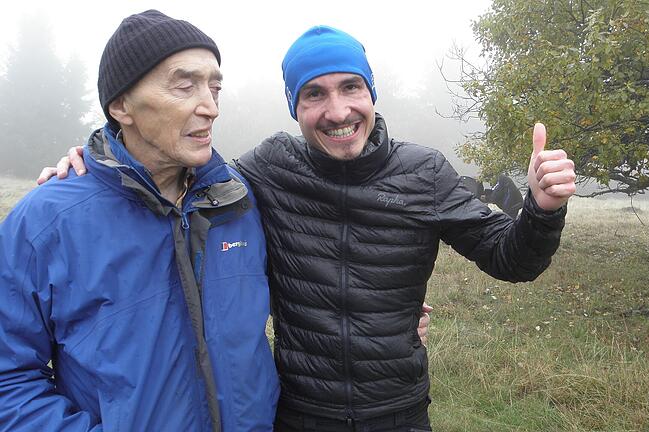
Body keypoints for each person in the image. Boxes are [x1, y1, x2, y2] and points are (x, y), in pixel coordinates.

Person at [41, 25, 576, 431]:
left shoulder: (425, 172)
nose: (337, 110)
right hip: (299, 413)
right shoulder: (267, 169)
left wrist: (542, 208)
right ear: (294, 106)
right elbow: (174, 167)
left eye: (351, 88)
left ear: (371, 94)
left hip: (399, 411)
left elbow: (513, 260)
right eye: (314, 94)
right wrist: (94, 160)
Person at [0, 10, 279, 431]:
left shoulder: (239, 200)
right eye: (185, 86)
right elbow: (9, 380)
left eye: (215, 87)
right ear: (121, 106)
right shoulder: (45, 222)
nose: (210, 107)